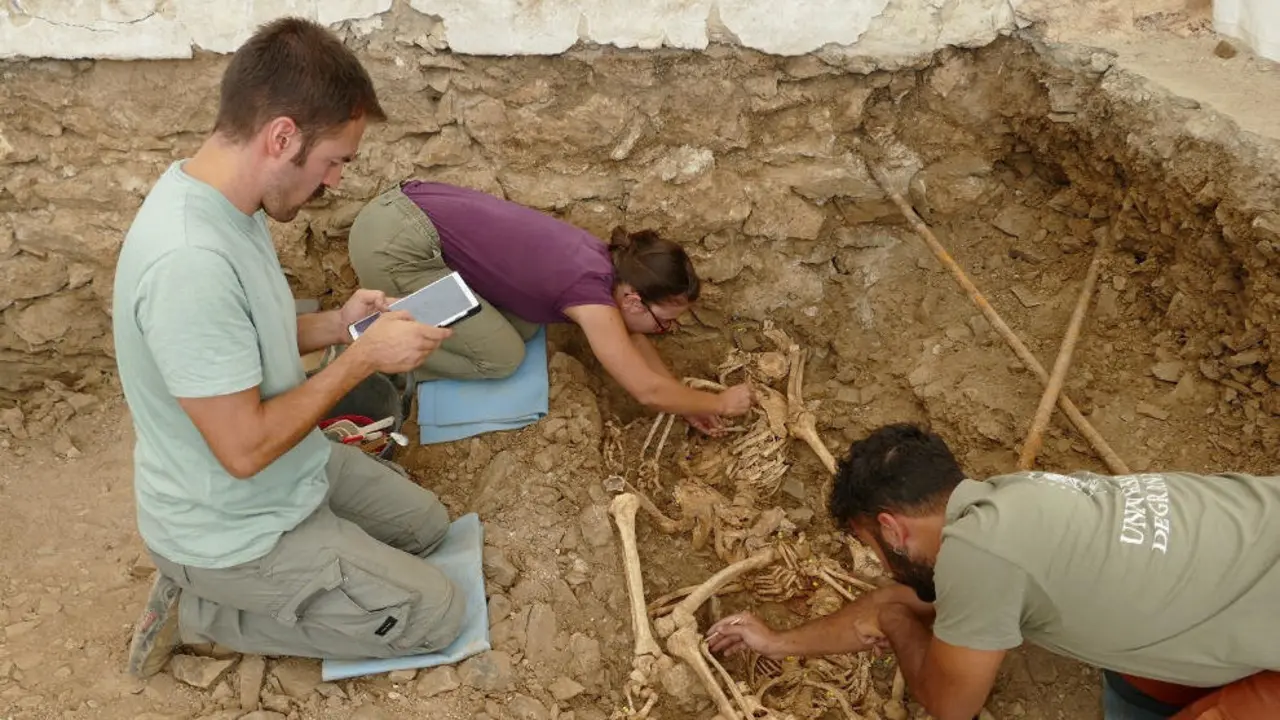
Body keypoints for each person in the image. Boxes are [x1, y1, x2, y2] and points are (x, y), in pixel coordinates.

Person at [113, 17, 468, 678]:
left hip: (291, 468)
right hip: (230, 528)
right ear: (282, 136)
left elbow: (243, 339)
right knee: (437, 613)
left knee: (427, 528)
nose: (335, 180)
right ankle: (202, 613)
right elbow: (243, 449)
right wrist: (363, 360)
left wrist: (340, 327)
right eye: (335, 160)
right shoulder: (188, 260)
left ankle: (322, 568)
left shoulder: (232, 207)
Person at [706, 423, 1280, 720]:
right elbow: (905, 603)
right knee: (1132, 683)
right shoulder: (1007, 503)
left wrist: (898, 624)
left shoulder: (982, 558)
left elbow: (950, 704)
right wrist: (780, 643)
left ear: (892, 529)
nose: (880, 565)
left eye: (870, 546)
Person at [346, 180, 753, 435]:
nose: (663, 332)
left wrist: (685, 404)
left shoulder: (604, 265)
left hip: (404, 215)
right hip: (397, 244)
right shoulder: (592, 297)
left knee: (521, 326)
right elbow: (645, 390)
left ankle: (398, 330)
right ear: (633, 299)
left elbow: (632, 346)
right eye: (663, 324)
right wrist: (718, 403)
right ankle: (368, 348)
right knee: (502, 357)